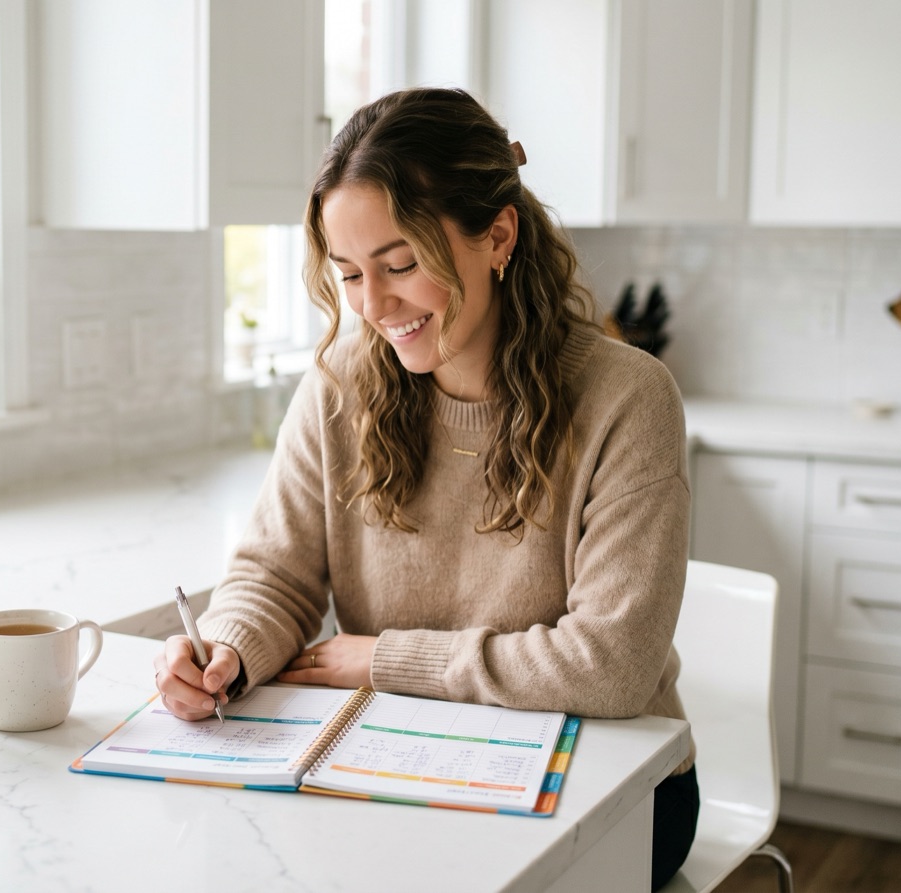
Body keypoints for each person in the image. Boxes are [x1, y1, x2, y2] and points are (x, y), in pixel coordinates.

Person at [153, 87, 697, 890]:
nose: (374, 307)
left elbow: (609, 665)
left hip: (616, 793)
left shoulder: (628, 399)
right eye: (349, 275)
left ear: (497, 236)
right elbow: (276, 571)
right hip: (401, 764)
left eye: (401, 265)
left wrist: (384, 659)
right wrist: (227, 648)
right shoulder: (340, 385)